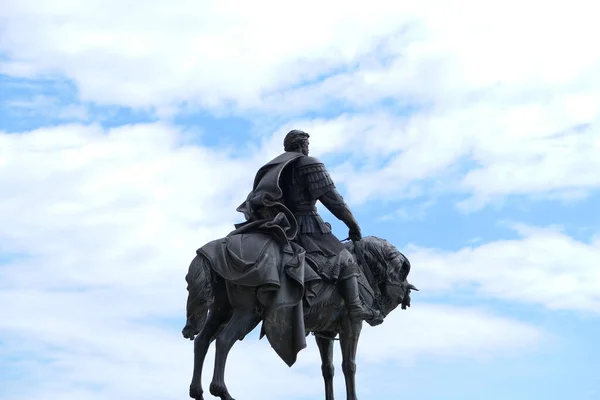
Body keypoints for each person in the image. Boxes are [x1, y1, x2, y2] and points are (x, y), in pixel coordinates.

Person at [271, 129, 383, 326]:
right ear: (300, 146)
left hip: (283, 227)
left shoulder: (277, 168)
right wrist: (352, 224)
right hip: (307, 224)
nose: (308, 148)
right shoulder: (308, 163)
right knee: (346, 258)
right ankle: (355, 306)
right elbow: (333, 200)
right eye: (306, 145)